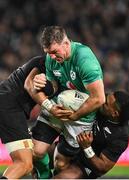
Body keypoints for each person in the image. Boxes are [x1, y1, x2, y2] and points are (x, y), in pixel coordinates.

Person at [24, 25, 105, 178]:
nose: (52, 57)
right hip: (58, 106)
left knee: (61, 165)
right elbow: (54, 85)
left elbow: (99, 98)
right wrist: (45, 84)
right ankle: (44, 176)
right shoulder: (51, 58)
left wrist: (75, 116)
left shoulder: (85, 60)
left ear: (66, 43)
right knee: (35, 151)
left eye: (54, 52)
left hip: (82, 116)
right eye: (48, 53)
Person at [53, 90, 129, 179]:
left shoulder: (121, 137)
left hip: (86, 165)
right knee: (39, 152)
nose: (103, 101)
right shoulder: (100, 101)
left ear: (114, 113)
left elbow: (103, 167)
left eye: (106, 103)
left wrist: (87, 148)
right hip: (73, 145)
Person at [0, 55, 54, 179]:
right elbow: (31, 86)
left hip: (6, 103)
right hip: (10, 107)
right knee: (24, 163)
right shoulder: (44, 65)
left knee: (34, 151)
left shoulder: (40, 62)